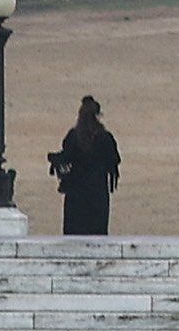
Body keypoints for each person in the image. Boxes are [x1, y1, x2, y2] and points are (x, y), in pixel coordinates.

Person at [50, 94, 124, 238]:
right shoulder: (105, 137)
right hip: (97, 193)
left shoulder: (73, 136)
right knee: (97, 234)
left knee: (74, 235)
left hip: (75, 193)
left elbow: (65, 158)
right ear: (97, 116)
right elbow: (114, 160)